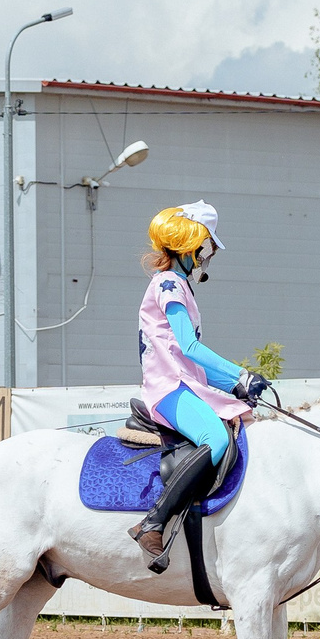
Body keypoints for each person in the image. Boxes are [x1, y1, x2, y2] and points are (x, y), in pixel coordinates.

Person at [129, 202, 270, 563]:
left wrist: (235, 384)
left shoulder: (180, 287)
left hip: (184, 384)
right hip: (168, 388)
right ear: (191, 244)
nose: (209, 257)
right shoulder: (168, 283)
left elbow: (188, 355)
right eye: (207, 248)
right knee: (216, 438)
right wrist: (240, 374)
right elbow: (189, 347)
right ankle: (153, 522)